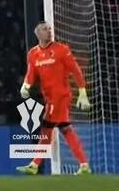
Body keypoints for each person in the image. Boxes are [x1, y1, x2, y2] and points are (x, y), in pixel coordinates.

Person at [17, 21, 92, 175]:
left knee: (48, 127)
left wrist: (82, 91)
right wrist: (26, 85)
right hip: (49, 98)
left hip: (61, 96)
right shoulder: (33, 54)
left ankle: (35, 164)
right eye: (45, 29)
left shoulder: (62, 50)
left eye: (50, 29)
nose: (49, 31)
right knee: (65, 129)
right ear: (38, 34)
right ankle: (84, 164)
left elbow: (75, 70)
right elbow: (31, 73)